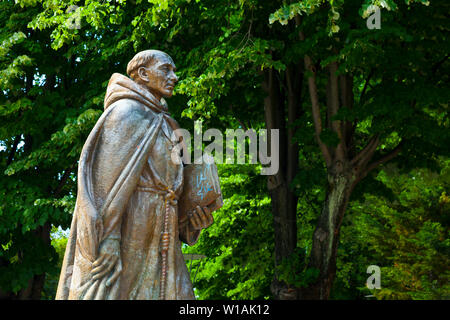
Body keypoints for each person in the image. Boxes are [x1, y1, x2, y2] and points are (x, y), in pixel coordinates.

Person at [56, 50, 214, 300]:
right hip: (130, 233)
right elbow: (102, 187)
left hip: (163, 235)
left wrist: (191, 220)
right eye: (165, 69)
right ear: (142, 73)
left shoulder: (169, 124)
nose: (174, 76)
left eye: (174, 70)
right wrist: (108, 239)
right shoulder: (126, 112)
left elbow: (175, 189)